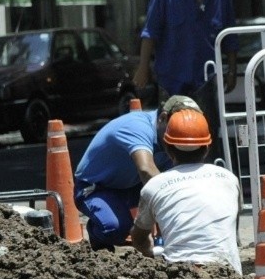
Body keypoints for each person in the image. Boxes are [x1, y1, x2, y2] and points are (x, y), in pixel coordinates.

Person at [134, 0, 239, 162]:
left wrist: (231, 70)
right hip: (172, 77)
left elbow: (229, 34)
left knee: (207, 136)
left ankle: (210, 180)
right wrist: (143, 67)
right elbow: (150, 31)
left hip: (206, 78)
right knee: (168, 136)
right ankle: (168, 181)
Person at [74, 95, 201, 250]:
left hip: (130, 185)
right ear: (162, 118)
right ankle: (97, 233)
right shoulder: (136, 127)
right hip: (96, 187)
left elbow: (172, 181)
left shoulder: (168, 135)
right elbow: (146, 169)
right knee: (116, 229)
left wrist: (167, 238)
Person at [130, 109, 243, 274]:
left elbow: (139, 239)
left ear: (168, 149)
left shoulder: (154, 186)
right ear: (207, 148)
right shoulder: (229, 178)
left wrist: (150, 254)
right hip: (228, 275)